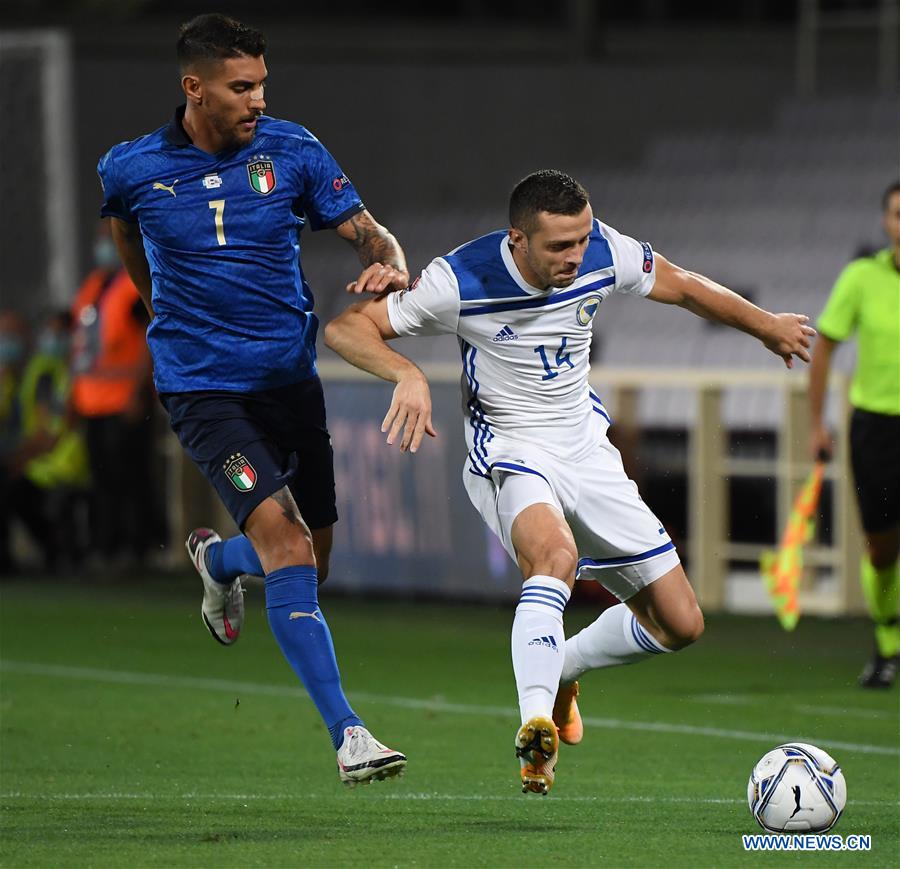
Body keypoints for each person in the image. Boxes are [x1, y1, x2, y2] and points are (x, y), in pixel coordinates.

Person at [324, 169, 815, 795]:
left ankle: (562, 669)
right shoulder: (460, 279)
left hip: (586, 447)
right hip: (511, 447)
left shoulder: (602, 249)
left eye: (581, 240)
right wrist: (407, 375)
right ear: (518, 240)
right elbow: (345, 328)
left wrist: (765, 324)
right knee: (553, 557)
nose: (576, 257)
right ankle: (535, 729)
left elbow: (685, 287)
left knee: (680, 624)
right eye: (560, 246)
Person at [98, 13, 408, 784]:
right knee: (292, 547)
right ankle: (350, 734)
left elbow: (367, 232)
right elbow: (129, 245)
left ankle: (220, 560)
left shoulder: (293, 150)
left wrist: (390, 260)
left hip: (287, 383)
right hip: (203, 391)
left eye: (262, 84)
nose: (258, 100)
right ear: (193, 88)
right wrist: (168, 318)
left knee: (314, 559)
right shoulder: (132, 169)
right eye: (242, 87)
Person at [808, 180, 900, 689]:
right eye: (897, 214)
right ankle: (888, 642)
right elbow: (824, 348)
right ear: (886, 222)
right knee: (882, 549)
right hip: (877, 428)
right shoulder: (862, 277)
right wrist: (816, 425)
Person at [71, 219, 156, 566]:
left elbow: (149, 338)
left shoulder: (132, 285)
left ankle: (135, 549)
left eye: (110, 239)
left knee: (130, 479)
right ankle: (105, 547)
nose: (104, 246)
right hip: (92, 401)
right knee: (103, 480)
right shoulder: (94, 286)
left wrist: (139, 389)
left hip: (124, 399)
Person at [0, 310, 89, 572]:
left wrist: (17, 459)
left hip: (53, 464)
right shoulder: (21, 376)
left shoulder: (44, 373)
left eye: (12, 335)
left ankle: (49, 552)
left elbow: (48, 431)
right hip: (42, 461)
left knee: (10, 490)